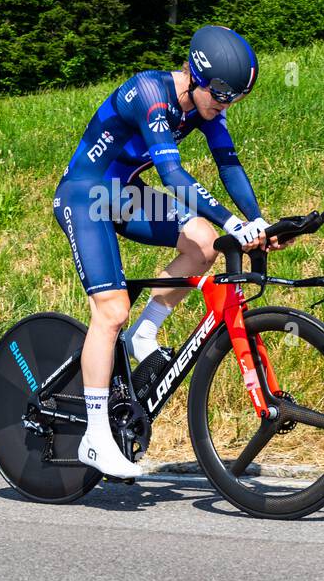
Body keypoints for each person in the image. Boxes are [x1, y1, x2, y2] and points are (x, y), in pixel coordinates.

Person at [53, 25, 286, 478]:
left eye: (235, 97)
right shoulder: (149, 93)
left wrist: (258, 220)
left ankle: (145, 335)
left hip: (123, 193)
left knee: (203, 243)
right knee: (111, 310)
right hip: (85, 195)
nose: (225, 104)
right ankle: (95, 436)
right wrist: (231, 221)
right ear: (196, 75)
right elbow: (173, 173)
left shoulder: (206, 107)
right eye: (221, 94)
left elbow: (229, 164)